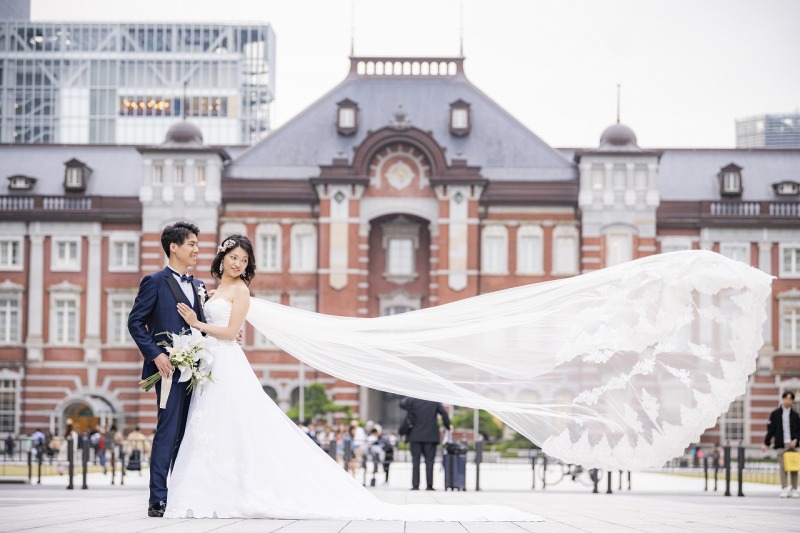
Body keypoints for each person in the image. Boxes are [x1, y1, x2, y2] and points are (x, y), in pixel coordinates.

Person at [164, 235, 540, 521]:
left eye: (244, 260)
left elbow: (232, 332)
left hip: (227, 363)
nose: (237, 263)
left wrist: (197, 324)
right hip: (213, 365)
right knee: (216, 425)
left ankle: (232, 491)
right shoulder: (212, 289)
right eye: (233, 257)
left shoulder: (241, 291)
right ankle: (215, 489)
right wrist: (198, 334)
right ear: (222, 258)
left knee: (232, 423)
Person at [128, 221, 207, 518]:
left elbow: (203, 326)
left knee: (189, 435)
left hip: (198, 373)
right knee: (168, 432)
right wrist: (156, 355)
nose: (197, 249)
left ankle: (184, 495)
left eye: (197, 244)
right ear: (174, 247)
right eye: (192, 244)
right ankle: (158, 499)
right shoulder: (154, 282)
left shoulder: (199, 286)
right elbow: (135, 322)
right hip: (169, 371)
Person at [399, 397, 452, 491]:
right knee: (430, 461)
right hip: (430, 436)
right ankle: (429, 485)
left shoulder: (412, 400)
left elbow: (401, 404)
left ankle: (415, 485)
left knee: (416, 461)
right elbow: (444, 413)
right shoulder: (434, 400)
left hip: (415, 435)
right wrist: (448, 426)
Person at [763, 391, 800, 498]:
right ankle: (784, 489)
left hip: (793, 444)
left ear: (792, 401)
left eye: (790, 399)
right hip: (781, 444)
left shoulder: (795, 415)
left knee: (794, 467)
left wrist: (796, 440)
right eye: (786, 398)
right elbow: (771, 430)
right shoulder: (775, 414)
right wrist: (766, 443)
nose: (788, 400)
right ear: (783, 399)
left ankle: (794, 489)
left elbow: (799, 430)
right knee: (783, 467)